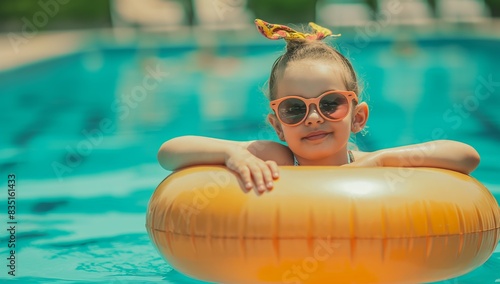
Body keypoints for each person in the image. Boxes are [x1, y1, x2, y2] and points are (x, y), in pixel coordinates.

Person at [157, 19, 480, 193]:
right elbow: (170, 151)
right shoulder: (277, 158)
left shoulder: (372, 161)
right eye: (294, 109)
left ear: (359, 117)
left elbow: (466, 155)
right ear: (277, 125)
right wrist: (233, 154)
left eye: (331, 104)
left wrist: (379, 162)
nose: (313, 118)